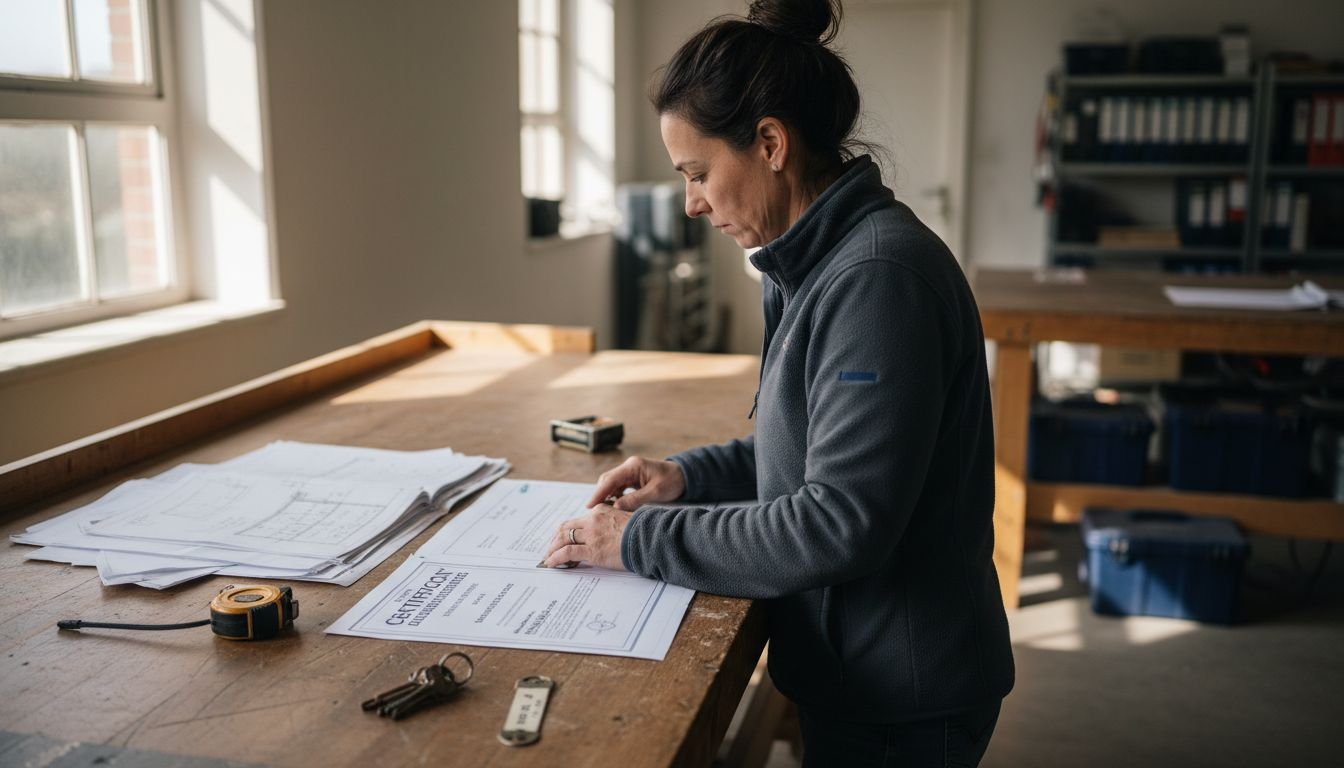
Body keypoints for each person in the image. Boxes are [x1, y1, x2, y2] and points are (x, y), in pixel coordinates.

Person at [541, 0, 1014, 764]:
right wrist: (685, 477)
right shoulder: (809, 262)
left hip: (902, 695)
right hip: (856, 673)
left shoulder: (876, 280)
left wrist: (636, 538)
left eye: (698, 173)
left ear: (769, 142)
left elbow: (837, 522)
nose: (692, 202)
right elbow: (797, 449)